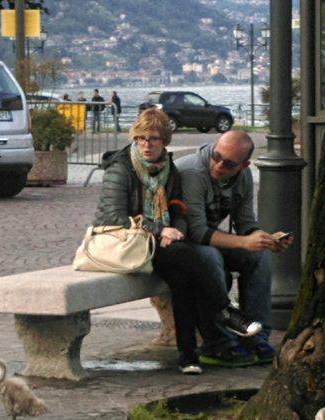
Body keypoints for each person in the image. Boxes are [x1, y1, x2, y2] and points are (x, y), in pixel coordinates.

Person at [92, 108, 259, 375]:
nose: (146, 145)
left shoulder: (169, 169)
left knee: (183, 278)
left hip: (158, 244)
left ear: (164, 141)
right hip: (124, 242)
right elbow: (114, 217)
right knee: (192, 260)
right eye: (141, 138)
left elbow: (179, 210)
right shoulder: (121, 168)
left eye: (153, 139)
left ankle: (189, 357)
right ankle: (223, 313)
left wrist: (176, 231)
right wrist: (160, 230)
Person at [176, 129, 291, 366]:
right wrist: (244, 242)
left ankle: (256, 337)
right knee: (210, 258)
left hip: (207, 239)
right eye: (216, 156)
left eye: (228, 164)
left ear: (244, 165)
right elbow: (196, 233)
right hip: (179, 244)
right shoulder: (192, 172)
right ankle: (218, 343)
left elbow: (245, 222)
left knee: (259, 256)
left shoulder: (243, 176)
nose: (219, 166)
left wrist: (263, 239)